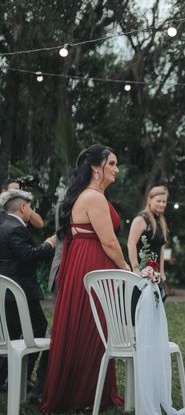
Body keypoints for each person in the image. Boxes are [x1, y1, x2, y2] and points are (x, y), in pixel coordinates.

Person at [40, 144, 130, 412]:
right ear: (95, 167)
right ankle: (86, 394)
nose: (116, 168)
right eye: (111, 163)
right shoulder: (93, 197)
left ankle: (89, 390)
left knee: (91, 326)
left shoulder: (86, 195)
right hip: (91, 264)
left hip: (85, 263)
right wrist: (126, 268)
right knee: (93, 327)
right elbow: (110, 242)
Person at [0, 189, 56, 402]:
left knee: (13, 335)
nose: (30, 211)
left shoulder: (3, 225)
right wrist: (50, 243)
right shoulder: (16, 228)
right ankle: (22, 375)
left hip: (4, 295)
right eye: (29, 207)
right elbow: (28, 256)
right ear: (23, 207)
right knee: (39, 327)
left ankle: (8, 376)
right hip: (19, 292)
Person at [127, 185, 169, 305]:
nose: (162, 204)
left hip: (155, 273)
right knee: (138, 310)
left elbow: (161, 248)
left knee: (154, 309)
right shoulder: (141, 219)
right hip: (141, 273)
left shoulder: (161, 222)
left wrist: (161, 271)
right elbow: (131, 244)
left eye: (164, 201)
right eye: (158, 201)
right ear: (150, 200)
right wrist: (136, 269)